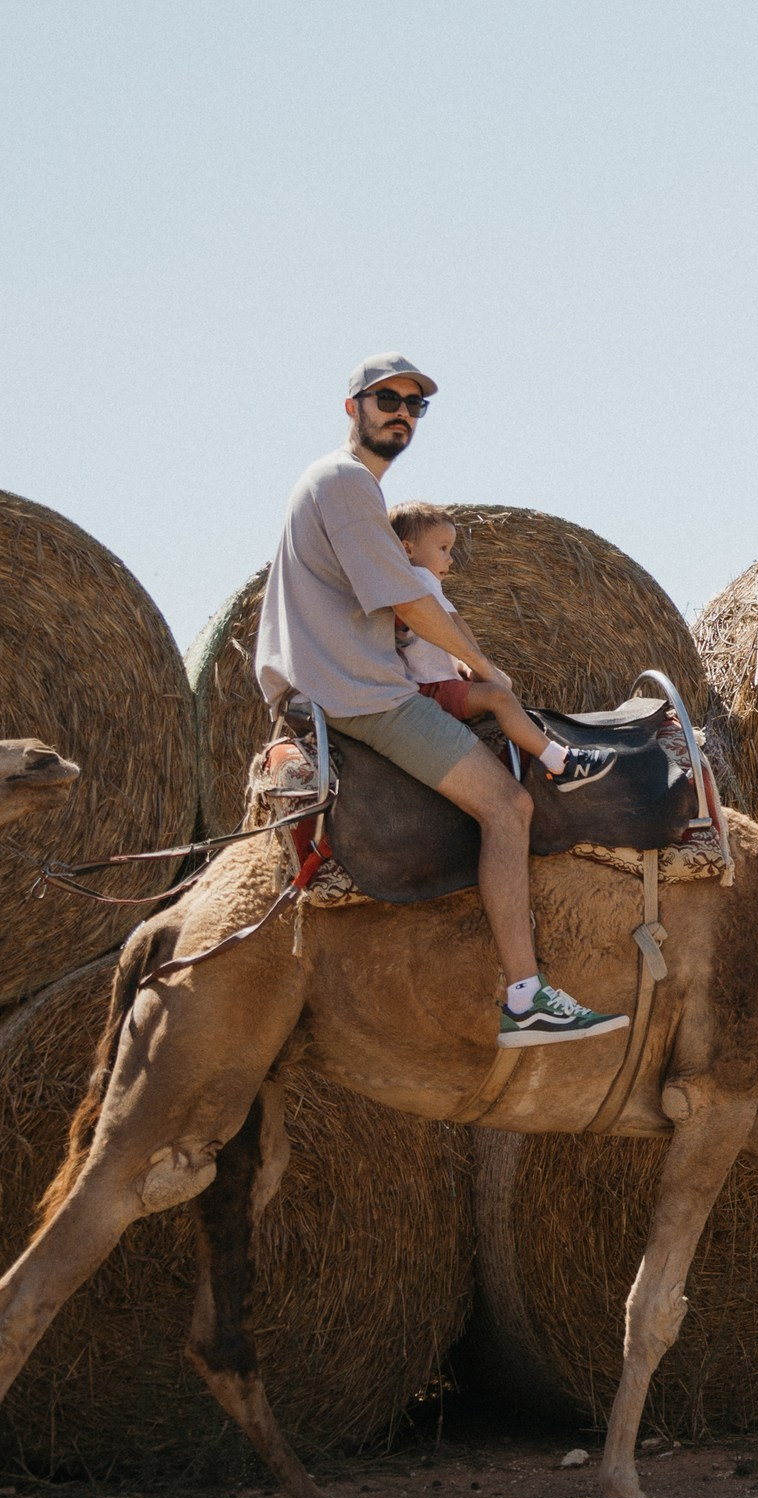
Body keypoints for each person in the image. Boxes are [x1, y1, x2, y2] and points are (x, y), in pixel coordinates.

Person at [253, 353, 628, 1048]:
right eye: (386, 398)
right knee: (508, 805)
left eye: (413, 404)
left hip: (336, 684)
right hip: (360, 695)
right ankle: (526, 993)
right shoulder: (344, 482)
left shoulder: (335, 487)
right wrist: (485, 667)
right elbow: (406, 598)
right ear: (353, 408)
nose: (400, 411)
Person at [385, 501, 616, 790]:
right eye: (443, 548)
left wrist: (462, 668)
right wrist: (482, 667)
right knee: (499, 697)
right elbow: (457, 626)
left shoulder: (402, 583)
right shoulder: (421, 579)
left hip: (429, 688)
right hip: (431, 692)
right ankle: (561, 763)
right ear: (408, 550)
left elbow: (431, 647)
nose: (451, 559)